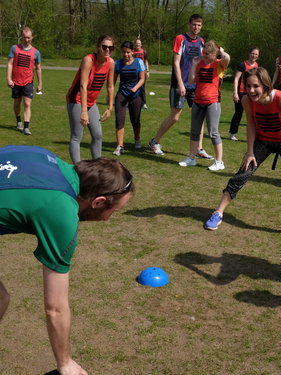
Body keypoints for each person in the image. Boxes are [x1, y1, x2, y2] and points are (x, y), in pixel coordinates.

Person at [0, 145, 134, 374]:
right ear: (99, 201)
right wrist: (65, 363)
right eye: (114, 212)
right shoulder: (61, 212)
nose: (107, 220)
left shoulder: (45, 156)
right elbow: (55, 308)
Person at [204, 67, 281, 242]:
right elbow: (251, 124)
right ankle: (218, 213)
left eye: (256, 86)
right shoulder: (247, 100)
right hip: (263, 141)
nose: (251, 90)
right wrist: (250, 151)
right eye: (248, 86)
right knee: (243, 172)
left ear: (265, 85)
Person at [148, 14, 212, 160]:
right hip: (180, 84)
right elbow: (176, 62)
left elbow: (202, 61)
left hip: (195, 85)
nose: (196, 27)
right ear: (189, 24)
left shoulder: (201, 41)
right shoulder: (180, 39)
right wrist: (181, 84)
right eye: (194, 24)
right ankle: (155, 141)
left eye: (199, 25)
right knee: (175, 116)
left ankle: (198, 148)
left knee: (199, 116)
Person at [178, 41, 230, 171]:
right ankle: (191, 158)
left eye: (207, 53)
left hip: (213, 102)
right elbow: (191, 80)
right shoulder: (200, 63)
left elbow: (227, 59)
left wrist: (221, 51)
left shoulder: (218, 65)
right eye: (203, 52)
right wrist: (194, 65)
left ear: (214, 54)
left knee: (213, 132)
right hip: (198, 102)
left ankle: (219, 162)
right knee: (195, 131)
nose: (204, 55)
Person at [67, 35, 115, 163]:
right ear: (98, 47)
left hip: (91, 102)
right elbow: (83, 86)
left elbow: (110, 86)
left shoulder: (110, 63)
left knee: (97, 135)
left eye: (111, 47)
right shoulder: (88, 60)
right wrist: (83, 111)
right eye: (104, 47)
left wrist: (110, 107)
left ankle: (98, 166)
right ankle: (78, 169)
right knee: (77, 136)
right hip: (76, 99)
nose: (107, 50)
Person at [6, 26, 42, 136]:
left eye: (28, 38)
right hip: (16, 82)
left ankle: (26, 127)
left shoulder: (36, 52)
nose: (26, 40)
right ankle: (18, 121)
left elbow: (38, 68)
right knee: (17, 103)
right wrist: (8, 78)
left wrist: (40, 83)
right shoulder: (14, 48)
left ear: (32, 37)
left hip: (28, 82)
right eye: (24, 37)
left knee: (27, 103)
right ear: (21, 37)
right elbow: (10, 63)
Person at [112, 41, 146, 156]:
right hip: (122, 94)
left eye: (128, 52)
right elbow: (113, 81)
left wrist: (135, 88)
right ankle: (120, 146)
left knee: (135, 120)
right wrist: (110, 95)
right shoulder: (118, 63)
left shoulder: (139, 62)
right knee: (119, 119)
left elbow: (142, 79)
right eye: (123, 52)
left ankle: (137, 139)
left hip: (135, 95)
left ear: (132, 52)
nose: (126, 55)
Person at [228, 47, 260, 141]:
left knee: (254, 113)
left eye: (256, 54)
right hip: (241, 92)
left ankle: (256, 135)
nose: (254, 56)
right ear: (249, 54)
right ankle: (232, 133)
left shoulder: (257, 65)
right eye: (252, 53)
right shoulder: (242, 65)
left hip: (252, 93)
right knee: (239, 113)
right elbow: (236, 79)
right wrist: (235, 93)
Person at [133, 38, 150, 109]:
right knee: (134, 87)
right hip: (134, 72)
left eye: (139, 44)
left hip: (142, 72)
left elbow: (146, 62)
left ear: (141, 45)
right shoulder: (132, 52)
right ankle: (134, 103)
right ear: (135, 44)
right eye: (136, 43)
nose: (138, 45)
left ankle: (144, 104)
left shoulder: (144, 52)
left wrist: (148, 71)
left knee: (142, 88)